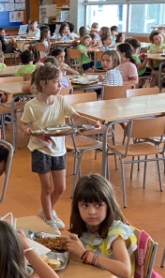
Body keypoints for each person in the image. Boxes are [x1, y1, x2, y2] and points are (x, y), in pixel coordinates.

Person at [20, 66, 101, 230]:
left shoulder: (61, 100)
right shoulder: (32, 105)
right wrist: (26, 130)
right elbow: (23, 123)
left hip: (58, 148)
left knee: (61, 187)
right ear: (43, 83)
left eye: (60, 82)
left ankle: (46, 210)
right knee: (47, 187)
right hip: (40, 148)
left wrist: (91, 122)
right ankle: (49, 219)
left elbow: (75, 116)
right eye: (56, 82)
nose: (60, 85)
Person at [67, 174, 137, 278]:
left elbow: (125, 270)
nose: (91, 212)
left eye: (98, 205)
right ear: (77, 207)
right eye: (85, 205)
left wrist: (85, 255)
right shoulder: (87, 227)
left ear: (108, 205)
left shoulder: (116, 233)